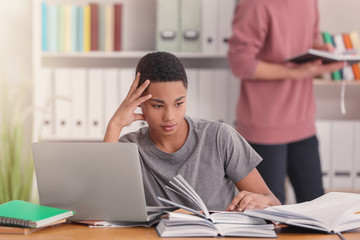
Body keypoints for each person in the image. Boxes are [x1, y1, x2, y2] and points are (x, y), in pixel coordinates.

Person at [104, 52, 280, 211]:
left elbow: (273, 201)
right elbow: (102, 206)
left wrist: (260, 202)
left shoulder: (220, 137)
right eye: (158, 106)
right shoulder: (129, 148)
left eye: (179, 103)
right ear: (139, 103)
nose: (170, 116)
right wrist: (115, 124)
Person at [228, 0, 345, 204]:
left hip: (303, 121)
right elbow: (240, 63)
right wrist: (295, 72)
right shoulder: (255, 4)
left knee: (316, 206)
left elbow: (311, 40)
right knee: (271, 214)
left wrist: (321, 51)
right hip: (265, 126)